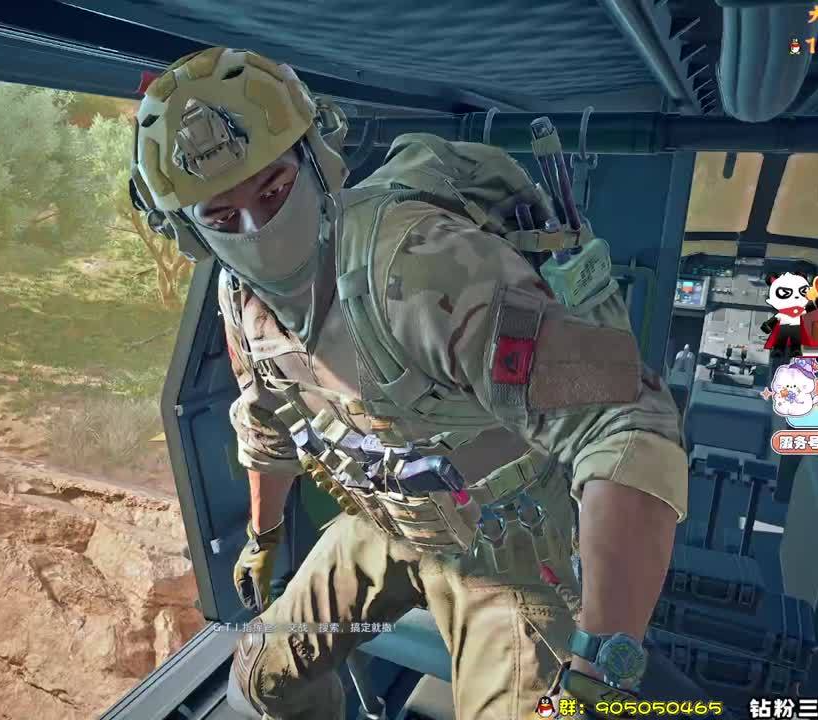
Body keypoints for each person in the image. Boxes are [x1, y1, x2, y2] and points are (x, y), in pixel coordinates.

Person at [129, 47, 688, 719]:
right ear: (189, 233)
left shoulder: (419, 266)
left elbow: (625, 422)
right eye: (222, 219)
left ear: (317, 162)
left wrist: (603, 663)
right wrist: (262, 537)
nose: (257, 231)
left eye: (273, 192)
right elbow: (267, 419)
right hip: (390, 524)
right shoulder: (239, 298)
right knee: (260, 677)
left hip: (510, 547)